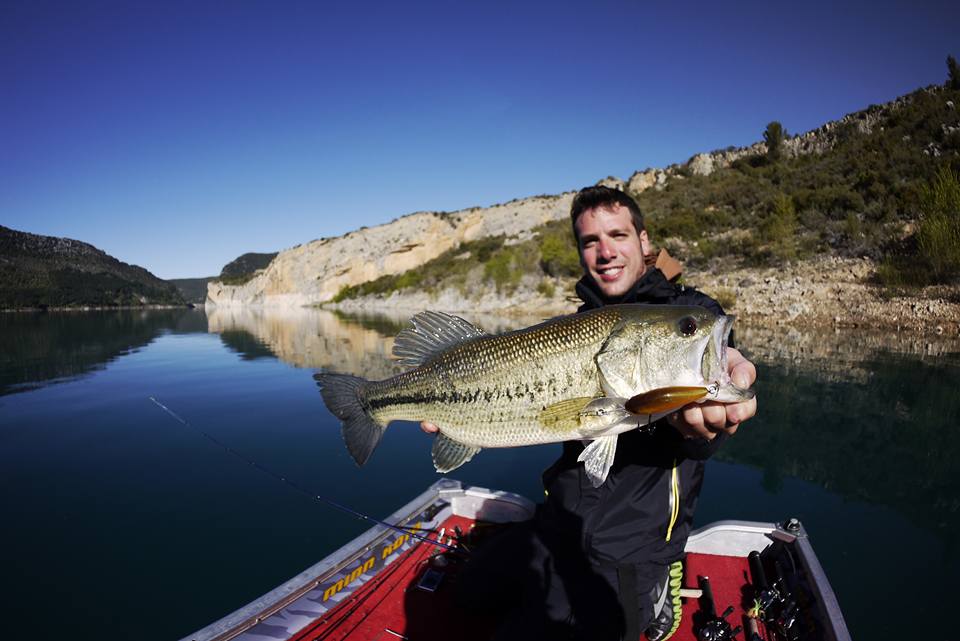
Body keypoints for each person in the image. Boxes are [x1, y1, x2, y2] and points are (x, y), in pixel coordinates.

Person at [422, 185, 757, 640]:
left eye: (617, 235)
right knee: (467, 592)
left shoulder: (692, 311)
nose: (604, 252)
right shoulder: (580, 320)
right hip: (559, 521)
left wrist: (721, 406)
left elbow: (725, 380)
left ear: (644, 241)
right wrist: (466, 420)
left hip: (632, 545)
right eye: (589, 241)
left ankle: (659, 592)